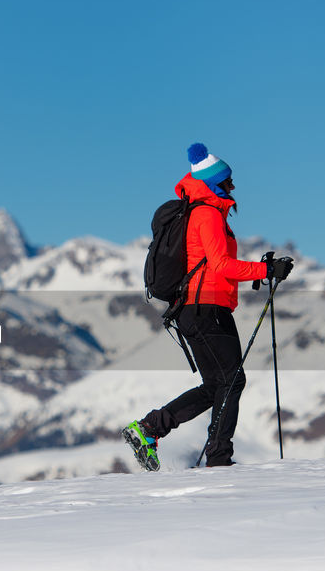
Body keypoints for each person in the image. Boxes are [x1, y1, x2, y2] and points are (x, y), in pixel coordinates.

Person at [125, 144, 293, 468]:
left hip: (195, 308)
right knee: (232, 380)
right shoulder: (207, 214)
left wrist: (259, 270)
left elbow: (211, 264)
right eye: (228, 181)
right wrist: (266, 271)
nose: (233, 187)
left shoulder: (200, 212)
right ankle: (219, 458)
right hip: (206, 309)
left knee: (216, 384)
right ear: (216, 184)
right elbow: (220, 266)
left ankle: (150, 428)